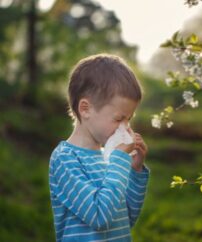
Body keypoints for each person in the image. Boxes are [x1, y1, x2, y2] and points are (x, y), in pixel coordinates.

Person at [48, 53, 150, 242]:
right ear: (85, 109)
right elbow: (99, 217)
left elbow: (125, 220)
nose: (126, 128)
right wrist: (119, 160)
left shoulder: (110, 159)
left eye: (129, 119)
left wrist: (135, 171)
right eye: (119, 118)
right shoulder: (64, 159)